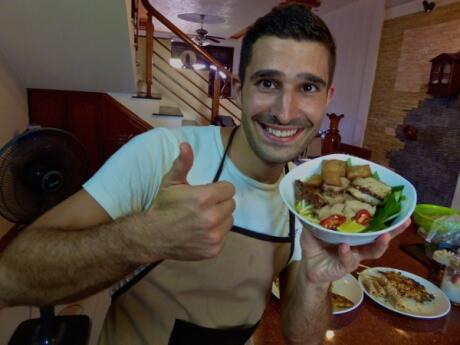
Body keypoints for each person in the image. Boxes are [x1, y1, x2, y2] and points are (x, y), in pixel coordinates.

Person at [0, 3, 409, 344]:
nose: (285, 112)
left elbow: (301, 336)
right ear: (237, 86)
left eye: (307, 88)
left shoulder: (308, 201)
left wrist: (318, 281)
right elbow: (11, 275)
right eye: (268, 82)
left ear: (327, 97)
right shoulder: (163, 154)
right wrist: (141, 237)